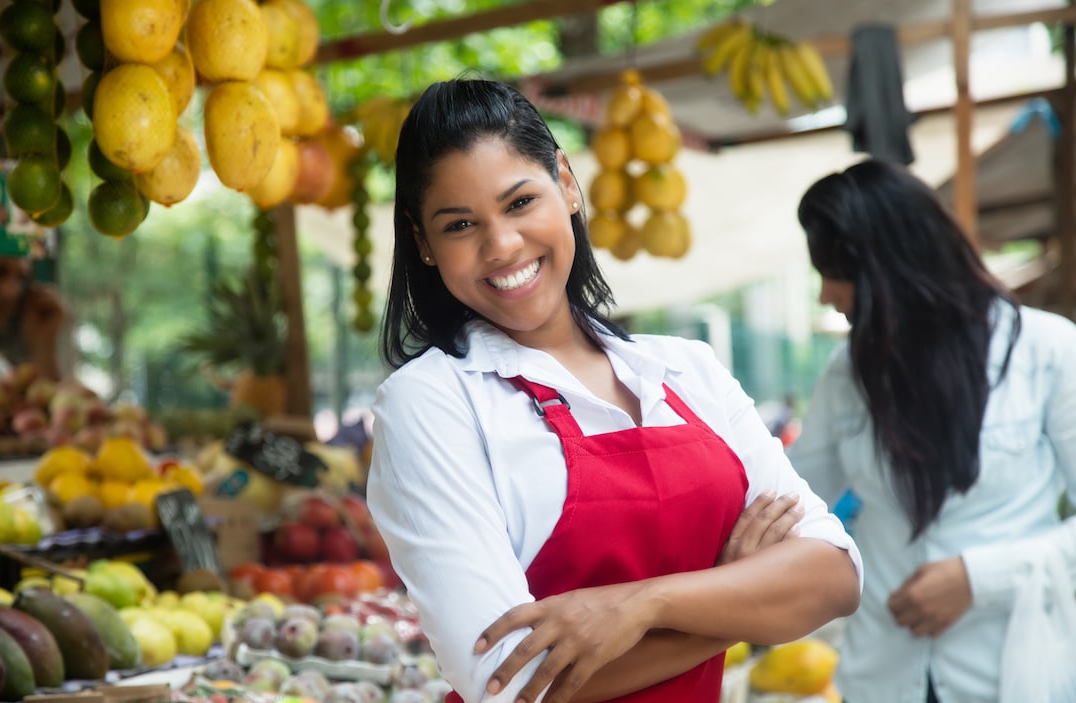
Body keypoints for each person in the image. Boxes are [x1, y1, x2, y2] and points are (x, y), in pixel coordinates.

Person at [365, 77, 862, 703]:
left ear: (567, 183)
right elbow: (512, 681)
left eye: (519, 203)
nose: (501, 245)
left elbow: (837, 575)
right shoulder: (431, 402)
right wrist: (737, 597)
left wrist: (644, 605)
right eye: (461, 224)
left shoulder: (687, 370)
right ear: (423, 244)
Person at [777, 158, 1076, 703]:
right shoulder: (847, 374)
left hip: (1014, 675)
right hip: (883, 677)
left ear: (890, 270)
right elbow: (785, 502)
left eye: (833, 273)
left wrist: (979, 578)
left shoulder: (1047, 351)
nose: (826, 296)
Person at [0, 255, 66, 380]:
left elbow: (50, 396)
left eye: (21, 278)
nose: (11, 292)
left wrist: (43, 346)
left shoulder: (1, 371)